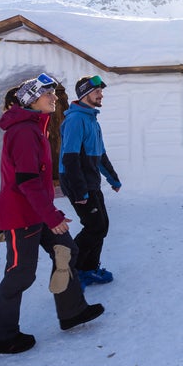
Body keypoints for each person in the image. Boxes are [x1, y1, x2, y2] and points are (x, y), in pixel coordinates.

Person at [0, 73, 105, 354]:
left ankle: (72, 311)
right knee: (20, 273)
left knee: (67, 250)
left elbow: (35, 181)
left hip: (37, 211)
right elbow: (27, 182)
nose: (54, 98)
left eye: (53, 93)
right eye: (47, 94)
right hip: (21, 215)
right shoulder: (24, 132)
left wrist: (50, 212)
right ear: (31, 100)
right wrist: (52, 216)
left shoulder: (35, 127)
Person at [59, 75, 122, 286]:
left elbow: (100, 155)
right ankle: (70, 271)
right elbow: (70, 158)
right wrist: (79, 191)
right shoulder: (75, 120)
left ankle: (89, 269)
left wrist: (113, 179)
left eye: (101, 91)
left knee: (101, 226)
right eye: (97, 91)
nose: (101, 95)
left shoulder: (92, 120)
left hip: (90, 180)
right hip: (77, 182)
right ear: (85, 94)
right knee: (94, 227)